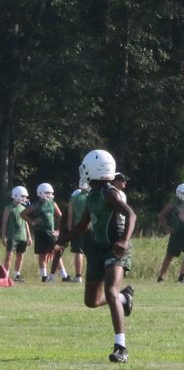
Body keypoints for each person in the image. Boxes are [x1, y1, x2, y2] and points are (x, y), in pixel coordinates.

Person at [54, 149, 136, 363]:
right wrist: (63, 240)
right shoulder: (91, 195)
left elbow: (131, 214)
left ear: (94, 169)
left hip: (115, 248)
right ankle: (124, 298)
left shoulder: (109, 193)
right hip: (98, 249)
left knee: (110, 290)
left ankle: (121, 347)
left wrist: (124, 241)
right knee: (91, 301)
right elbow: (84, 224)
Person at [20, 183, 70, 282]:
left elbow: (60, 217)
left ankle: (64, 276)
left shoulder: (52, 203)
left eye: (50, 193)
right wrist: (32, 222)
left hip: (50, 233)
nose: (49, 194)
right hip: (40, 233)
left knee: (57, 253)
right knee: (41, 254)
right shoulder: (36, 205)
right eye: (47, 192)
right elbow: (23, 214)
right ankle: (44, 276)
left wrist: (58, 230)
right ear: (41, 192)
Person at [157, 183, 184, 282]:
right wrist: (167, 228)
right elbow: (161, 216)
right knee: (169, 255)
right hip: (176, 234)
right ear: (178, 193)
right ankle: (161, 276)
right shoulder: (173, 205)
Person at [2, 186, 32, 282]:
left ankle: (16, 275)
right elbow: (4, 222)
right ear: (16, 195)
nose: (24, 198)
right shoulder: (8, 208)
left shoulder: (23, 208)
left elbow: (26, 223)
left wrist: (29, 236)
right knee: (9, 256)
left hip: (22, 236)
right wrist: (3, 236)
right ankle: (5, 275)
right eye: (22, 196)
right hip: (12, 236)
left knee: (20, 256)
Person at [67, 184, 89, 283]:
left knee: (79, 252)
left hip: (77, 227)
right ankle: (92, 275)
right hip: (91, 228)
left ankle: (78, 276)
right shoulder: (92, 197)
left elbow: (70, 214)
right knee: (92, 253)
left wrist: (69, 228)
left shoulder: (74, 198)